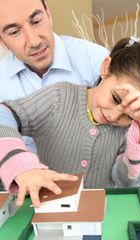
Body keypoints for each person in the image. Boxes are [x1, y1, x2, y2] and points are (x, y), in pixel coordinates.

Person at [0, 37, 140, 207]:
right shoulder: (58, 98)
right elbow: (4, 114)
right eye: (115, 99)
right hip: (49, 210)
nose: (114, 116)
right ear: (106, 67)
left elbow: (127, 182)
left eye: (129, 116)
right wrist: (21, 166)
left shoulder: (131, 131)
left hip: (101, 217)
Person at [0, 0, 109, 152]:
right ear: (2, 41)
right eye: (14, 32)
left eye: (36, 21)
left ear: (48, 14)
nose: (34, 41)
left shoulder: (96, 61)